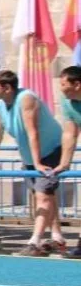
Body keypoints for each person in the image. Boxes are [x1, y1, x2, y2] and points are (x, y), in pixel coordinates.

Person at [0, 70, 63, 257]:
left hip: (50, 150)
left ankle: (34, 242)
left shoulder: (26, 98)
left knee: (43, 196)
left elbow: (32, 132)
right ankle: (57, 237)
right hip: (30, 155)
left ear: (7, 88)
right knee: (46, 196)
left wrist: (37, 162)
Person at [55, 66, 81, 258]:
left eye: (63, 84)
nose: (60, 87)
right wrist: (64, 163)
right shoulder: (67, 102)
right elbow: (70, 133)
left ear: (77, 85)